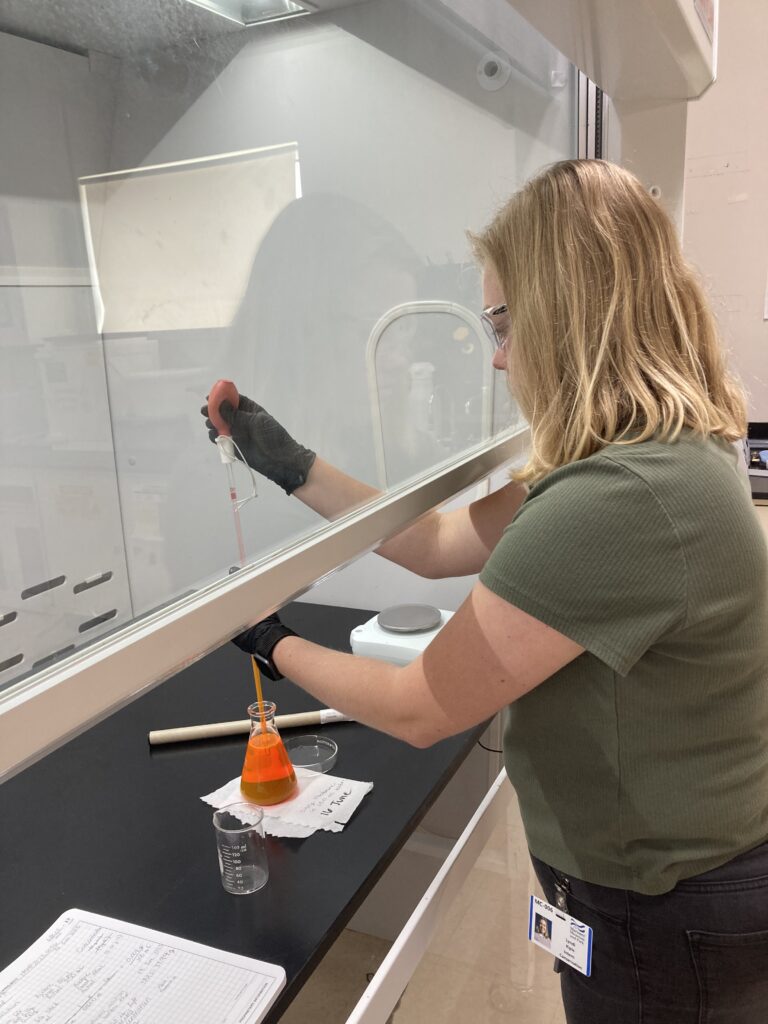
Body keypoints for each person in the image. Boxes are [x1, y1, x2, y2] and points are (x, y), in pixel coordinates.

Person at [203, 159, 768, 1023]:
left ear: (571, 314)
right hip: (684, 878)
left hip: (663, 904)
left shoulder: (619, 500)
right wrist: (286, 461)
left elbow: (417, 708)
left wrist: (270, 640)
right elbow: (434, 544)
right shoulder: (651, 453)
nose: (498, 358)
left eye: (504, 323)